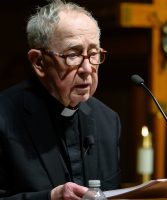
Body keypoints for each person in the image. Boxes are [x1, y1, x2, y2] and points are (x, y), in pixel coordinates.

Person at [0, 0, 121, 199]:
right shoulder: (4, 118)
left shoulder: (108, 121)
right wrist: (51, 197)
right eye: (73, 54)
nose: (87, 69)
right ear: (39, 62)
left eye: (93, 54)